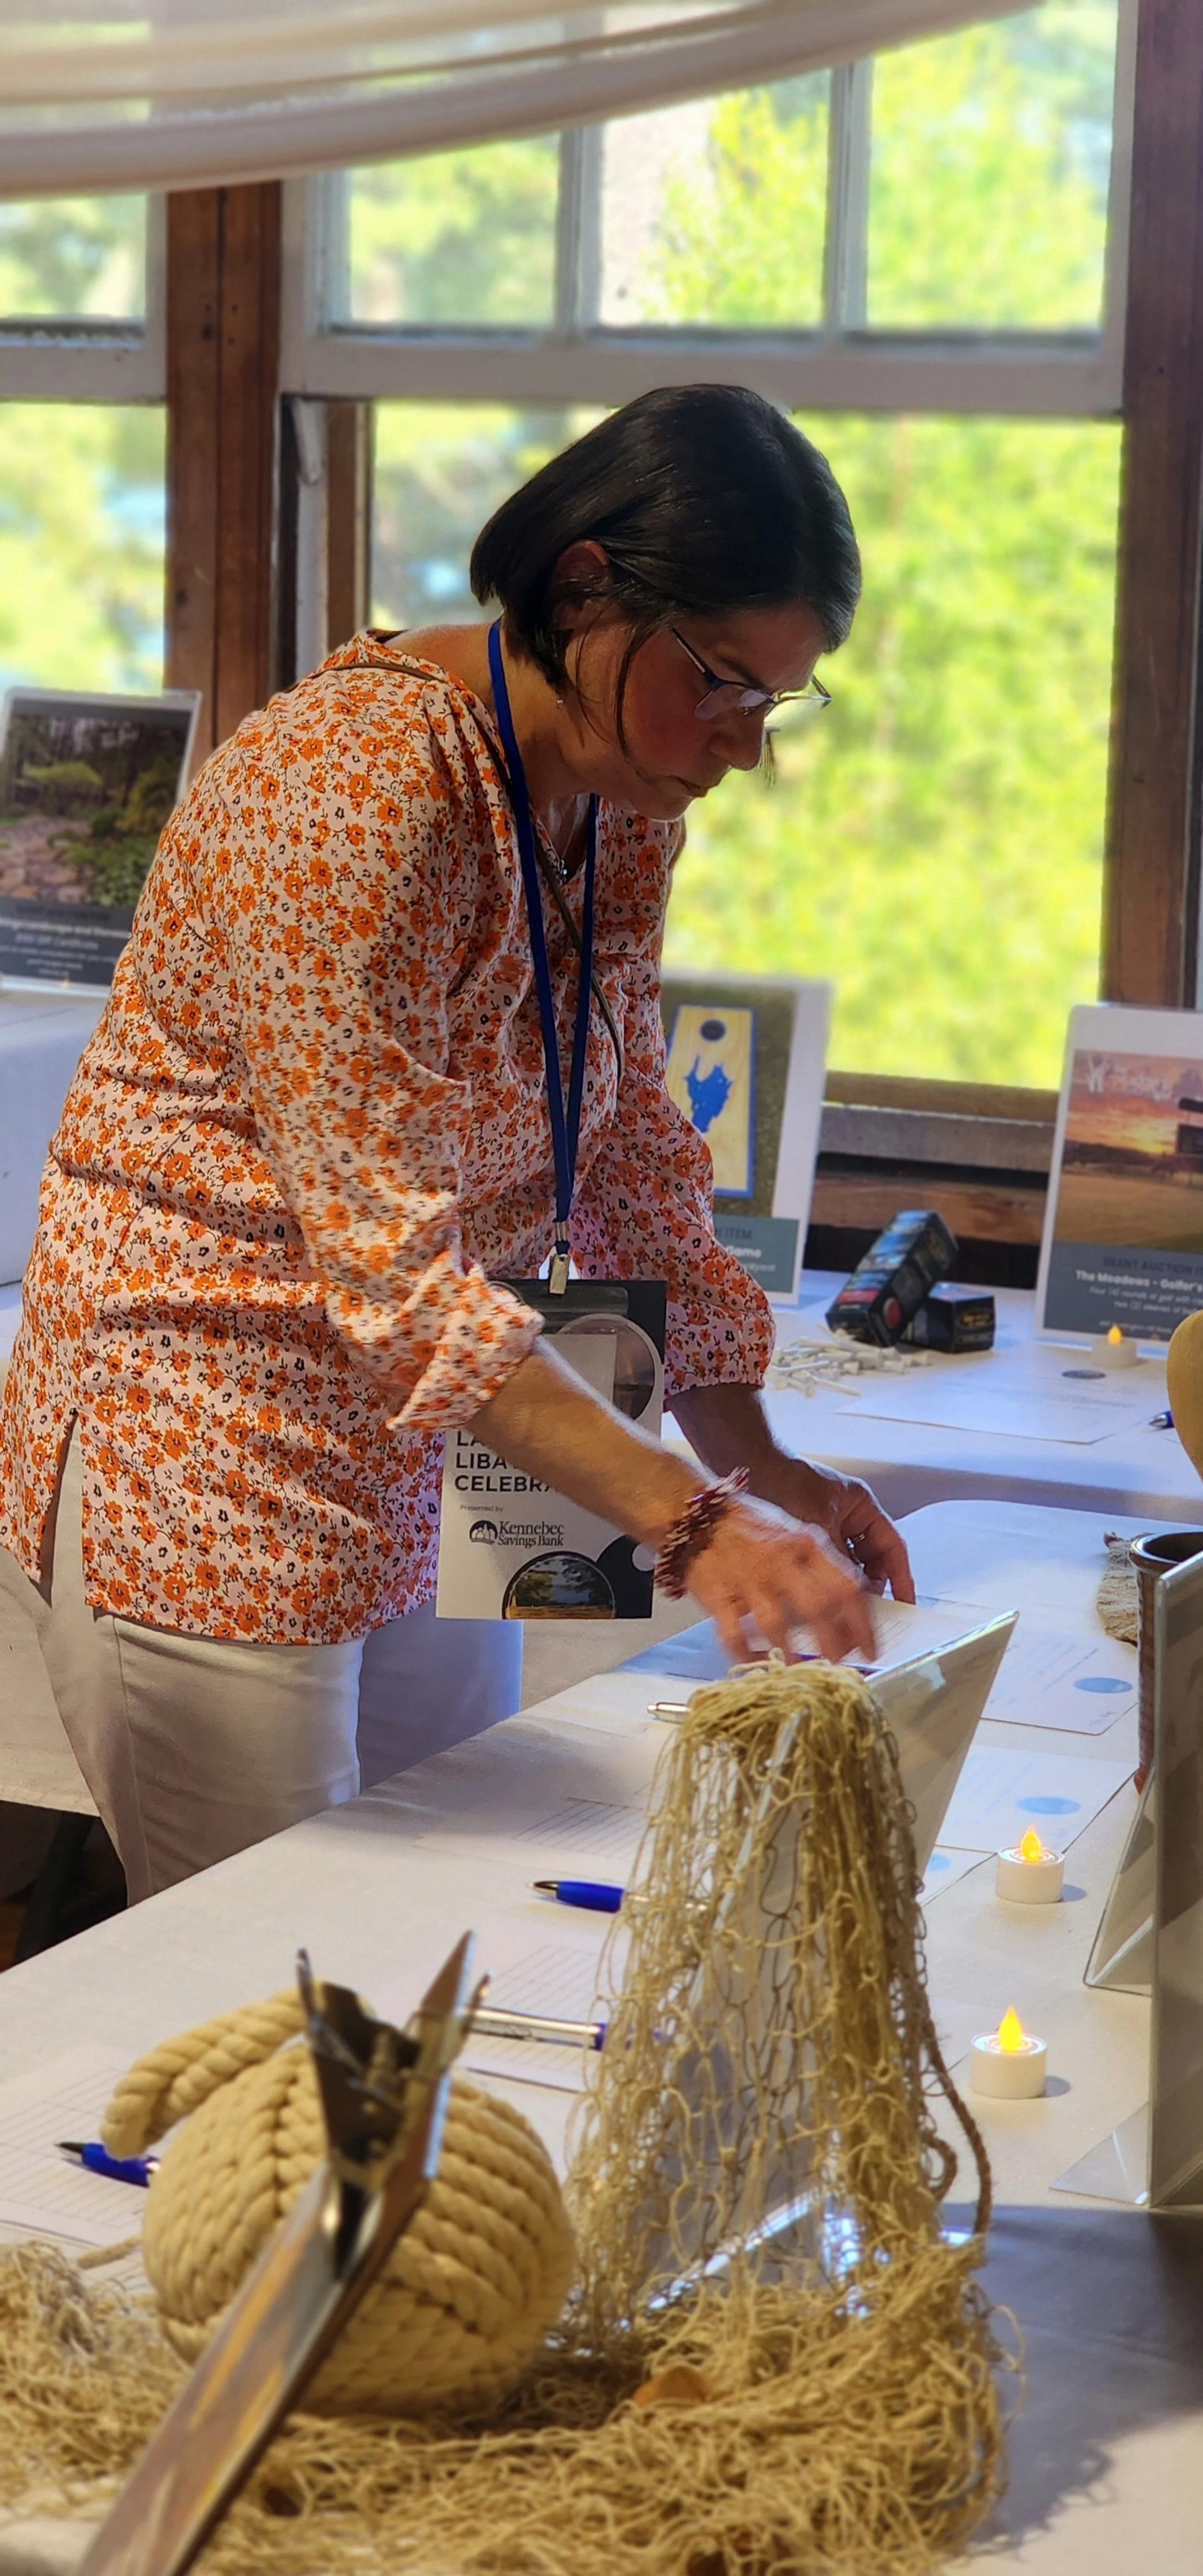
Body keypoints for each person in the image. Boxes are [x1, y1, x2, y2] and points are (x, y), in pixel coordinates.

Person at [0, 382, 913, 1904]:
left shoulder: (618, 801)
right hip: (214, 1427)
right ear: (584, 588)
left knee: (449, 1913)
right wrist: (694, 1526)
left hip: (432, 1427)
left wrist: (758, 1460)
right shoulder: (350, 790)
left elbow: (627, 1148)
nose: (741, 747)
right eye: (723, 684)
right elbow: (386, 1276)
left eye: (777, 701)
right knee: (287, 1982)